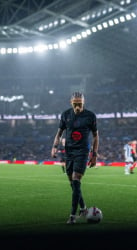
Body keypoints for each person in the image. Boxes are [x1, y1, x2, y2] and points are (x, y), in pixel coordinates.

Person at [51, 92, 99, 224]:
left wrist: (94, 154)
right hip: (69, 151)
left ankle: (72, 215)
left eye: (80, 103)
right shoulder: (66, 115)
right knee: (72, 183)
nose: (78, 106)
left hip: (82, 152)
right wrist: (54, 146)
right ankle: (83, 208)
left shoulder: (90, 116)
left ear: (84, 102)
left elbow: (95, 135)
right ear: (70, 102)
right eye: (75, 103)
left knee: (76, 179)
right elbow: (59, 132)